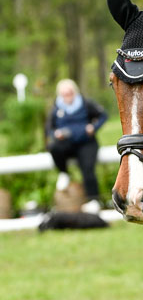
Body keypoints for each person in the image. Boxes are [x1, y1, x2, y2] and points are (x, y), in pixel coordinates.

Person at [45, 79, 108, 213]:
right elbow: (49, 128)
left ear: (74, 91)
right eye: (64, 94)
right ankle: (64, 173)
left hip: (86, 142)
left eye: (70, 93)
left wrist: (93, 127)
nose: (68, 96)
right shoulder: (56, 108)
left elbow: (103, 115)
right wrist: (55, 133)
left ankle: (93, 199)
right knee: (53, 147)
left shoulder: (85, 103)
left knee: (88, 168)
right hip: (66, 143)